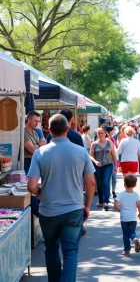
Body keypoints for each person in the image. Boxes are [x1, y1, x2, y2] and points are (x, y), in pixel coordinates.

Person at [27, 114, 96, 282]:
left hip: (48, 210)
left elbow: (31, 185)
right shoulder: (81, 152)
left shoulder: (40, 153)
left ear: (49, 131)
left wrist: (39, 193)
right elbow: (91, 182)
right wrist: (87, 206)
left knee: (51, 248)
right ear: (67, 129)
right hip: (73, 208)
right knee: (71, 251)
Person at [114, 175, 140, 257]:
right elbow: (139, 205)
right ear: (135, 185)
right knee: (132, 232)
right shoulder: (136, 195)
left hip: (124, 218)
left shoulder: (121, 194)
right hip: (133, 218)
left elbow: (116, 205)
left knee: (125, 234)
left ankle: (127, 251)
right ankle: (135, 239)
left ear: (124, 184)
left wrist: (118, 210)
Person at [90, 127, 117, 211]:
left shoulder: (110, 143)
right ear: (97, 135)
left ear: (105, 133)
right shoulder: (94, 144)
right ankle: (101, 200)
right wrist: (95, 161)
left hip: (108, 164)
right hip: (98, 166)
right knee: (99, 184)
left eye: (102, 133)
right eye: (99, 133)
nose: (101, 135)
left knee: (106, 182)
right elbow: (90, 155)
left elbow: (113, 155)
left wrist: (115, 166)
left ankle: (106, 201)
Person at [106, 126, 119, 198]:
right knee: (109, 178)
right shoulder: (106, 140)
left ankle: (113, 191)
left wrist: (117, 162)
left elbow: (116, 150)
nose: (113, 131)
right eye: (112, 130)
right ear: (108, 132)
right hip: (108, 161)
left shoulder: (113, 139)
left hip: (114, 160)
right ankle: (109, 191)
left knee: (114, 177)